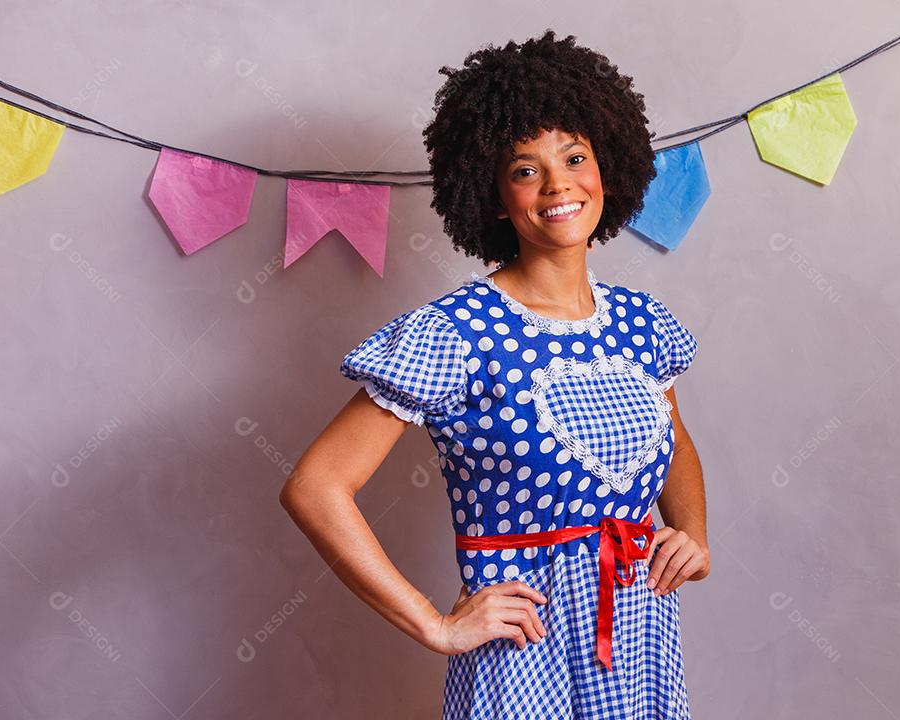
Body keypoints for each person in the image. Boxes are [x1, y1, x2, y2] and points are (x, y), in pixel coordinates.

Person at [280, 29, 710, 719]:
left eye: (574, 156)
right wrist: (435, 624)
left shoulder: (642, 323)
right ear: (491, 191)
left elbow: (676, 444)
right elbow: (316, 487)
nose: (557, 183)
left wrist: (692, 535)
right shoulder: (456, 333)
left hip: (640, 645)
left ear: (610, 165)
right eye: (524, 168)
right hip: (524, 654)